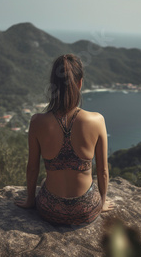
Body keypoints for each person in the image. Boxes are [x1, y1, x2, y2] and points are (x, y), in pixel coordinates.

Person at [15, 54, 115, 225]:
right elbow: (103, 171)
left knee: (45, 181)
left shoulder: (37, 121)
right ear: (80, 83)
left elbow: (32, 168)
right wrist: (103, 202)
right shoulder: (97, 120)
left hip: (49, 209)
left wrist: (30, 200)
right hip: (87, 210)